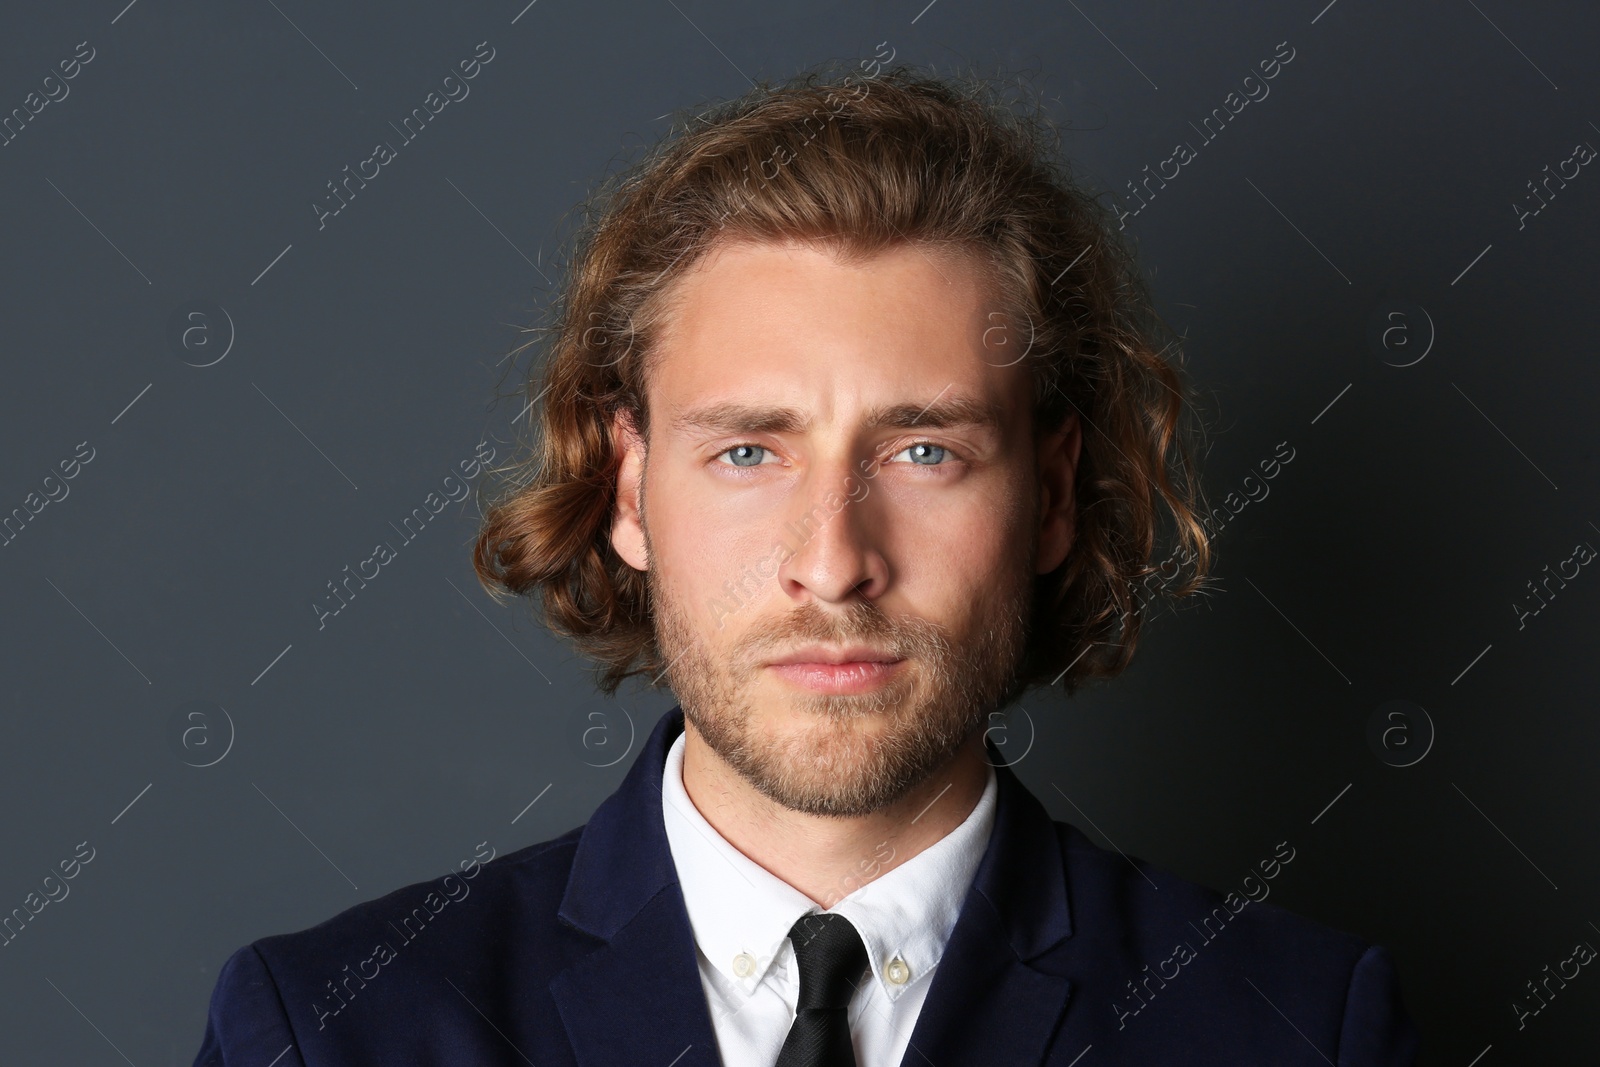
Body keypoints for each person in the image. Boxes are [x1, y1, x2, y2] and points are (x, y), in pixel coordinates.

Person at [191, 62, 1419, 1066]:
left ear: (1050, 497)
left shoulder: (1299, 1028)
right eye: (746, 450)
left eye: (925, 448)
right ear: (628, 490)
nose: (833, 563)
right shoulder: (333, 1028)